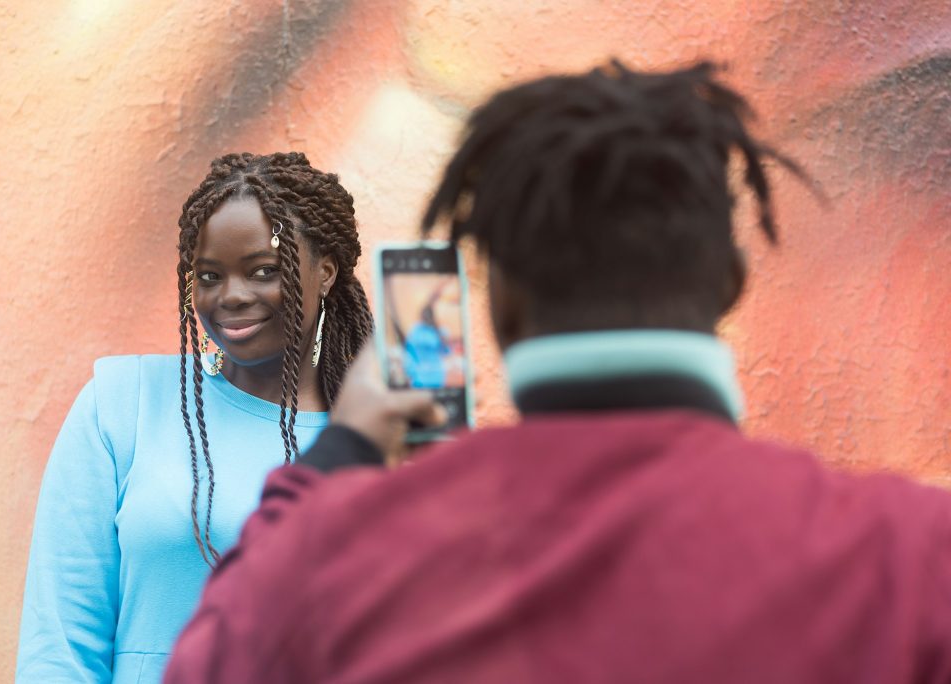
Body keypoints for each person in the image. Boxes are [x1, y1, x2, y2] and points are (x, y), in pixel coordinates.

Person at [164, 63, 951, 683]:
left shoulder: (330, 558)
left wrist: (344, 457)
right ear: (729, 282)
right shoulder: (912, 556)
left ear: (498, 298)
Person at [16, 152, 374, 683]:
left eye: (263, 271)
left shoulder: (381, 438)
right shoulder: (122, 405)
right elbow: (59, 647)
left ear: (324, 271)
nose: (231, 296)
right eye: (209, 275)